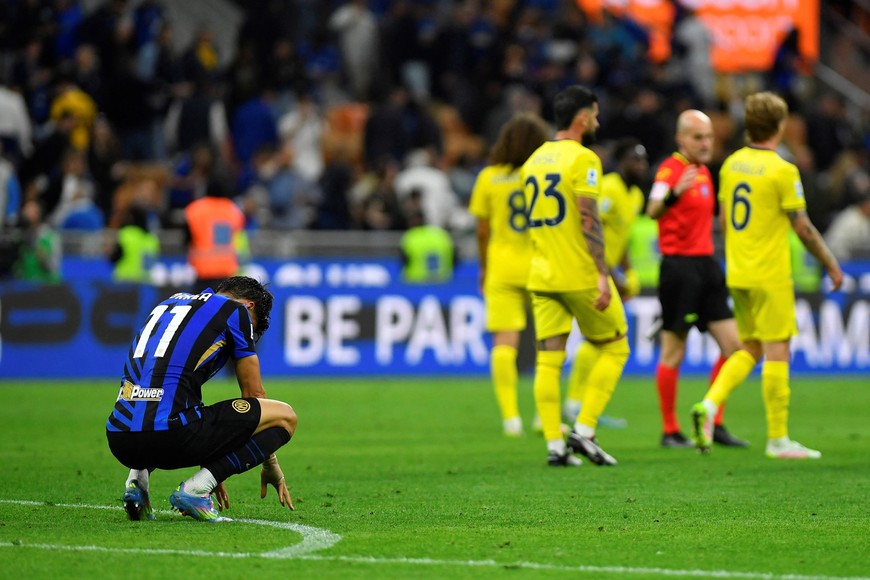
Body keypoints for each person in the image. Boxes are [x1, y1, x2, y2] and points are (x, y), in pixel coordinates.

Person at [691, 92, 844, 459]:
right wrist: (831, 264)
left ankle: (709, 406)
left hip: (739, 271)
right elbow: (803, 227)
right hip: (770, 273)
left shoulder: (730, 165)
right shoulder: (782, 170)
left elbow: (725, 222)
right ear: (779, 125)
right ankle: (778, 439)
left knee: (750, 347)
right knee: (778, 349)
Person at [106, 276, 297, 522]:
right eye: (252, 326)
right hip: (170, 437)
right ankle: (196, 490)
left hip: (120, 439)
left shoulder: (169, 304)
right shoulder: (235, 311)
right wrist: (267, 461)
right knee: (285, 417)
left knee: (155, 404)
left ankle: (136, 484)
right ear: (248, 306)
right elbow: (255, 397)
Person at [521, 85, 629, 467]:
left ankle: (555, 446)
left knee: (548, 362)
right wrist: (603, 273)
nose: (597, 121)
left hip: (542, 274)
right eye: (595, 114)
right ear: (582, 117)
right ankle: (584, 429)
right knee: (616, 347)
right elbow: (588, 218)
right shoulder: (583, 159)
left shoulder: (534, 160)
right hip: (579, 273)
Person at [645, 110, 748, 449]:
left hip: (707, 266)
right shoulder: (670, 169)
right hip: (679, 269)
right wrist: (674, 192)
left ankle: (714, 419)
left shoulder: (705, 171)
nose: (706, 144)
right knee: (674, 351)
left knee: (735, 348)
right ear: (681, 139)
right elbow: (653, 207)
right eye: (698, 138)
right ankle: (669, 430)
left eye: (708, 137)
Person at [467, 112, 552, 437]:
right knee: (548, 343)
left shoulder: (489, 177)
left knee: (504, 343)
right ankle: (544, 416)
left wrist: (485, 266)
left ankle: (511, 418)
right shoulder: (543, 174)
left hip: (502, 266)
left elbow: (482, 229)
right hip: (541, 265)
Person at [563, 138, 648, 427]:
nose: (641, 165)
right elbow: (590, 227)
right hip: (593, 270)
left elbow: (619, 237)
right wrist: (609, 272)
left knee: (601, 338)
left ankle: (576, 405)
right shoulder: (608, 187)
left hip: (609, 272)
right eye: (635, 159)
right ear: (621, 162)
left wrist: (627, 270)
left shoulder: (635, 195)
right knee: (602, 338)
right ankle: (575, 406)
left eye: (644, 160)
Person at [185, 180, 250, 290]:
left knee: (201, 305)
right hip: (226, 270)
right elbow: (239, 239)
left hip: (202, 269)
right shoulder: (233, 209)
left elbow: (187, 238)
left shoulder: (195, 209)